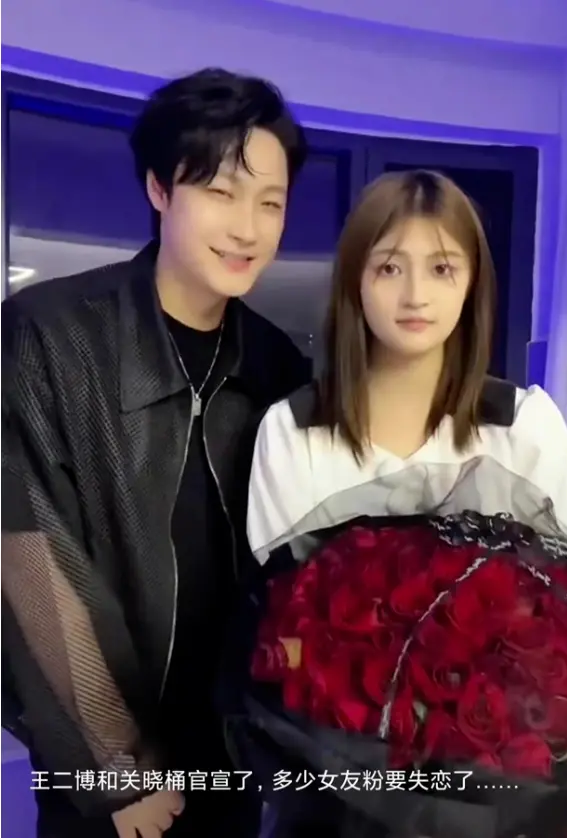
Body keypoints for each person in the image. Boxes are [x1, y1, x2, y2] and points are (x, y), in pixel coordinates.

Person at [1, 68, 312, 838]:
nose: (247, 227)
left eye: (270, 203)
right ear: (159, 189)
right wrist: (118, 769)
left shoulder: (277, 366)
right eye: (220, 191)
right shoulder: (49, 336)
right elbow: (25, 552)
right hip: (106, 778)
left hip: (234, 760)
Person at [242, 170, 567, 836]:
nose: (416, 294)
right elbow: (282, 638)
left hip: (495, 793)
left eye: (442, 268)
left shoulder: (525, 426)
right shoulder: (292, 431)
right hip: (338, 789)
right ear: (355, 281)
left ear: (473, 284)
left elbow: (557, 625)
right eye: (390, 267)